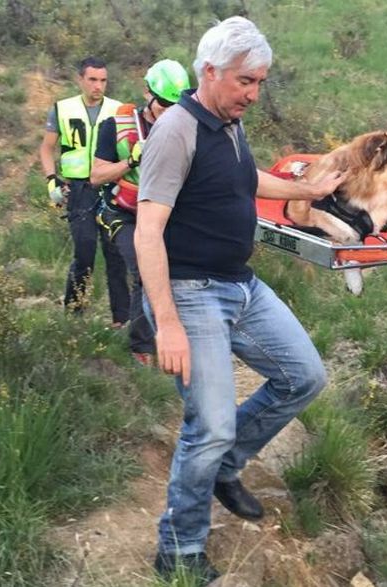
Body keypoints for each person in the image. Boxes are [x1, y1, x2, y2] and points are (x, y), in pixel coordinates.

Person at [134, 17, 347, 583]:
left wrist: (307, 191)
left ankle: (225, 467)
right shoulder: (175, 131)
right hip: (188, 291)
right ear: (209, 72)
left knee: (304, 377)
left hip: (239, 284)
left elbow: (244, 178)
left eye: (260, 83)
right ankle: (177, 550)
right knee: (210, 423)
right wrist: (168, 326)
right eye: (245, 82)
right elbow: (147, 231)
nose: (253, 94)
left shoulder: (228, 122)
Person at [90, 59, 192, 366]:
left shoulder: (183, 126)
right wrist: (131, 161)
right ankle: (141, 346)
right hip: (123, 212)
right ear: (147, 92)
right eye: (163, 102)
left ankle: (168, 330)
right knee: (145, 272)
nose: (168, 109)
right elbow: (96, 176)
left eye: (176, 104)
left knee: (174, 273)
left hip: (164, 213)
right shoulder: (116, 126)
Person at [39, 56, 130, 325]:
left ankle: (121, 319)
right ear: (80, 80)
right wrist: (51, 180)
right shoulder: (62, 109)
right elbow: (46, 148)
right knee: (85, 250)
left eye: (103, 80)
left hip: (111, 188)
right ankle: (74, 314)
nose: (98, 86)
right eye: (92, 79)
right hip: (78, 189)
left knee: (116, 253)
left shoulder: (119, 110)